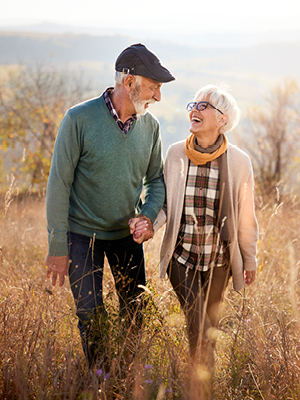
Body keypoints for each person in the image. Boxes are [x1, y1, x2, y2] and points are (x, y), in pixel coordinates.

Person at [45, 43, 175, 370]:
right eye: (154, 87)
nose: (158, 97)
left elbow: (155, 181)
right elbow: (59, 184)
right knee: (91, 315)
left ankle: (127, 375)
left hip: (125, 237)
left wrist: (147, 217)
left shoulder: (151, 127)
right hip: (80, 237)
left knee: (135, 311)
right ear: (129, 82)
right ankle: (102, 380)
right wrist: (58, 246)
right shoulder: (79, 119)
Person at [148, 84, 258, 395]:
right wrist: (149, 225)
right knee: (196, 320)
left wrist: (249, 259)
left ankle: (202, 383)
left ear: (223, 120)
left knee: (209, 329)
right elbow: (167, 204)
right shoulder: (175, 154)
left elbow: (246, 216)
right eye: (194, 104)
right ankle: (197, 388)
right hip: (181, 257)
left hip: (219, 261)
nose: (195, 109)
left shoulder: (239, 161)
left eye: (204, 106)